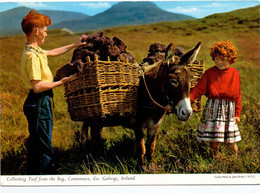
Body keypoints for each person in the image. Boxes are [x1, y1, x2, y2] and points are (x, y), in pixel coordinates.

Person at [20, 9, 87, 174]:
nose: (46, 34)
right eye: (45, 30)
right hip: (39, 101)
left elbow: (54, 52)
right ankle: (43, 176)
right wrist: (62, 82)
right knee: (43, 144)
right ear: (36, 31)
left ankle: (35, 172)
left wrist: (75, 44)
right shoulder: (32, 56)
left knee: (38, 140)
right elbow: (37, 87)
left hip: (40, 101)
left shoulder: (35, 51)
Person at [190, 40, 241, 158]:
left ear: (230, 59)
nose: (220, 62)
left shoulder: (235, 74)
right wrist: (189, 100)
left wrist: (237, 113)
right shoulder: (209, 73)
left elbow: (238, 96)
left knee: (231, 141)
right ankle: (213, 159)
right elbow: (198, 89)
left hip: (229, 111)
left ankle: (234, 160)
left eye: (223, 59)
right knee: (214, 140)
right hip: (213, 109)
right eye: (217, 58)